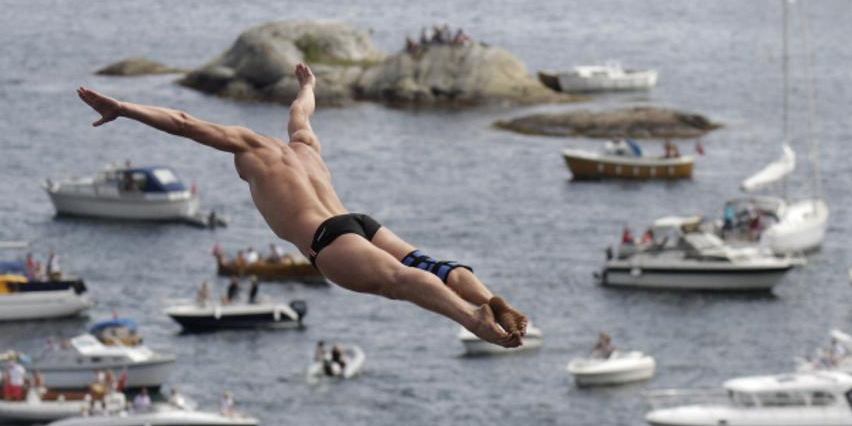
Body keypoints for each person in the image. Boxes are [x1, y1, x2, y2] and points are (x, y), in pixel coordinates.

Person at [77, 67, 526, 349]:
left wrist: (126, 109)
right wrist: (308, 84)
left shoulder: (248, 145)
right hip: (360, 222)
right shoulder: (303, 145)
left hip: (327, 239)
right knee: (431, 266)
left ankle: (473, 318)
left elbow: (184, 123)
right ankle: (488, 299)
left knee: (399, 281)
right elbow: (302, 111)